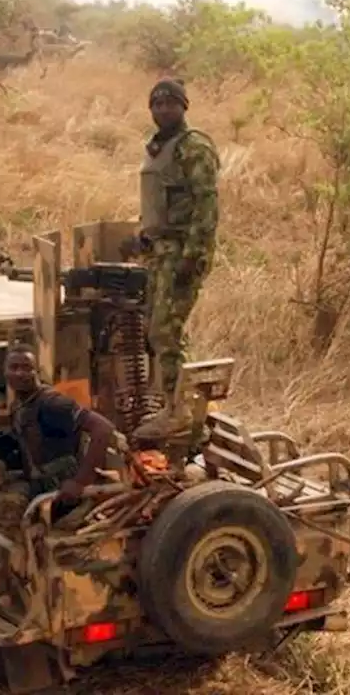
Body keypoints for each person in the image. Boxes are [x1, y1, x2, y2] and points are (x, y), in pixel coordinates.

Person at [0, 343, 116, 619]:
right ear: (4, 372)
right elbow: (29, 440)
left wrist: (80, 482)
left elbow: (103, 428)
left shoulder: (52, 403)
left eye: (26, 367)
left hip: (54, 489)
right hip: (37, 481)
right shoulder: (21, 402)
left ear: (36, 370)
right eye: (14, 367)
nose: (20, 373)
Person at [128, 78, 220, 438]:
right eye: (157, 104)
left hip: (182, 251)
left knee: (165, 331)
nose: (163, 110)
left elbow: (206, 206)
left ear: (184, 106)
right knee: (158, 331)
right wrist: (141, 238)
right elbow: (160, 202)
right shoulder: (157, 148)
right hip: (159, 251)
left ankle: (178, 413)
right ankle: (178, 401)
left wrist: (193, 256)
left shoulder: (194, 147)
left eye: (170, 103)